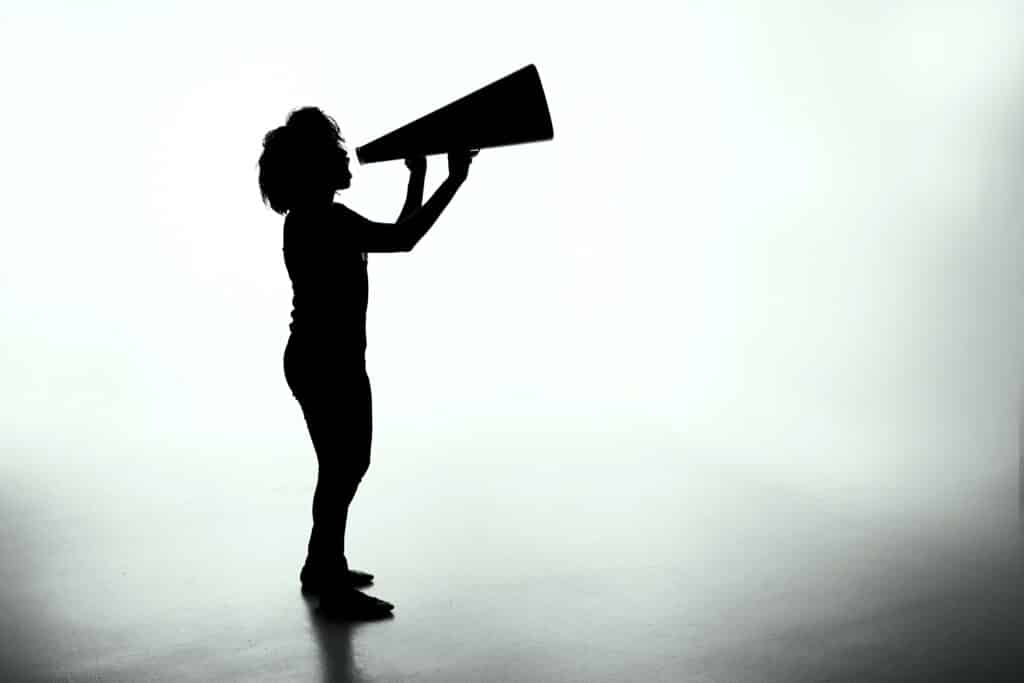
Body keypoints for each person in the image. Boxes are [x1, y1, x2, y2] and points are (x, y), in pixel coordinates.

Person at [258, 106, 476, 619]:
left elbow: (397, 231)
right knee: (343, 467)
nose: (349, 160)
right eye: (338, 154)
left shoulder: (313, 219)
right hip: (326, 364)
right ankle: (328, 581)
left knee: (342, 467)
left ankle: (321, 565)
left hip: (322, 361)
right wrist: (454, 179)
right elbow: (403, 239)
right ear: (316, 170)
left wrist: (421, 175)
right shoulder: (324, 220)